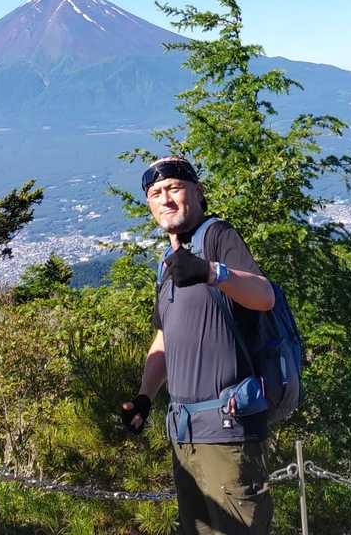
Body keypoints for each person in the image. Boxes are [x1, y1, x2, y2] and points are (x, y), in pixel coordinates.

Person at [121, 156, 277, 535]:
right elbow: (164, 338)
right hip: (184, 434)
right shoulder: (167, 263)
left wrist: (211, 271)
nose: (166, 199)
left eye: (174, 188)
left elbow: (264, 296)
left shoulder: (217, 236)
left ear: (197, 192)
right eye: (155, 193)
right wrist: (144, 397)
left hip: (228, 432)